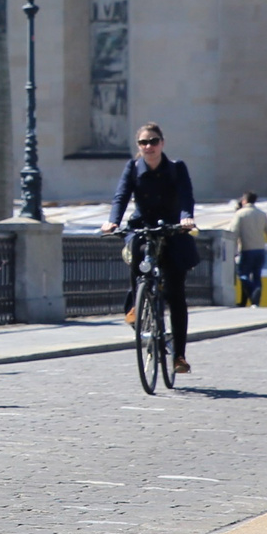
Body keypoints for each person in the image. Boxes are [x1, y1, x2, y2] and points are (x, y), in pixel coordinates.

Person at [100, 123, 198, 375]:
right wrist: (113, 220)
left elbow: (187, 195)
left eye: (153, 141)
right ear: (138, 146)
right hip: (143, 225)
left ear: (162, 143)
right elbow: (121, 196)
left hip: (172, 228)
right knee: (137, 250)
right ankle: (137, 303)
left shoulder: (176, 168)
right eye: (143, 143)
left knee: (176, 293)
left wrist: (186, 218)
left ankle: (179, 355)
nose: (149, 147)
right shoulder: (132, 168)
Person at [230, 193, 267, 308]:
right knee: (257, 275)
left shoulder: (240, 214)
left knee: (243, 274)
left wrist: (232, 250)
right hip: (260, 250)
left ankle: (253, 290)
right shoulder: (262, 214)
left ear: (245, 200)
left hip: (247, 250)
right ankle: (255, 302)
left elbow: (233, 233)